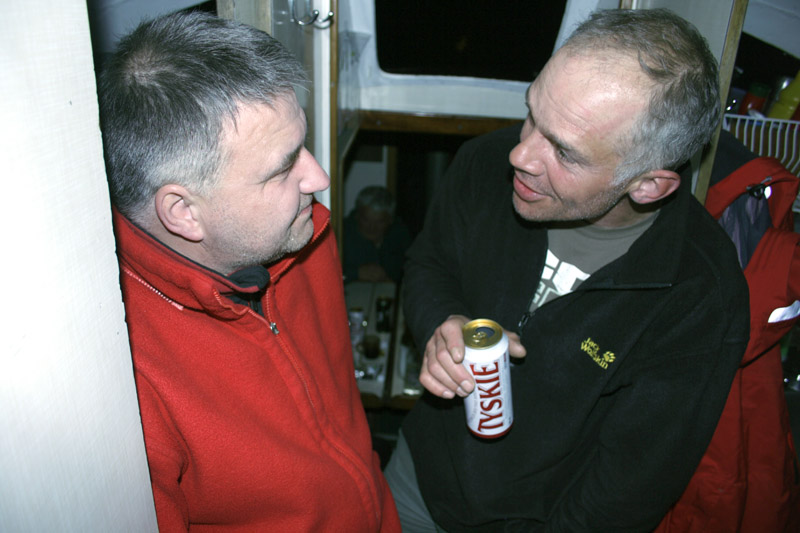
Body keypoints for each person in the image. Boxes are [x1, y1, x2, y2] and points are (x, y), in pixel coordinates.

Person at [384, 8, 750, 532]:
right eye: (532, 114)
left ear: (647, 185)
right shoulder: (483, 163)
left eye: (565, 152)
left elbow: (624, 494)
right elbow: (429, 263)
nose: (520, 155)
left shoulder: (700, 297)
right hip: (416, 478)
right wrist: (441, 322)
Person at [98, 11, 399, 532]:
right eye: (283, 167)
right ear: (183, 212)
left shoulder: (305, 237)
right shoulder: (124, 388)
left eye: (303, 145)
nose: (319, 178)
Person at [343, 186, 412, 283]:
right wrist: (355, 273)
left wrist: (393, 281)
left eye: (380, 222)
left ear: (390, 220)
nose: (372, 228)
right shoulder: (341, 234)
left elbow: (411, 270)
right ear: (357, 216)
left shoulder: (400, 235)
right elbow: (329, 275)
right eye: (366, 220)